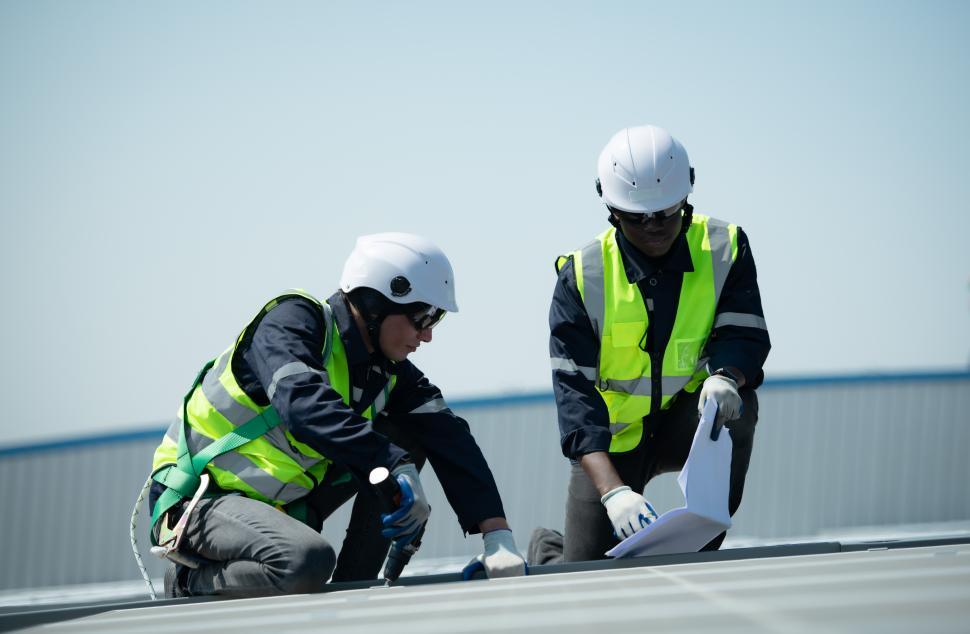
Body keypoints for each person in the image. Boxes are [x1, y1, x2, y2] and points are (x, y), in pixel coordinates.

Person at [147, 232, 526, 597]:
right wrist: (392, 465)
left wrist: (497, 537)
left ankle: (354, 590)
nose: (426, 336)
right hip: (201, 498)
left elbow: (450, 437)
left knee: (409, 436)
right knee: (305, 561)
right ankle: (184, 584)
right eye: (423, 317)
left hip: (277, 505)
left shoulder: (387, 372)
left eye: (435, 320)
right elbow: (303, 406)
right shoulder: (293, 322)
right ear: (377, 303)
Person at [544, 124, 770, 562]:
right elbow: (576, 400)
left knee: (741, 408)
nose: (654, 227)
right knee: (583, 571)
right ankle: (550, 547)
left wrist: (726, 376)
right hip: (614, 440)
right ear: (611, 210)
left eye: (665, 213)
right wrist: (612, 493)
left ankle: (700, 545)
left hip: (688, 419)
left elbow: (744, 333)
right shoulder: (582, 276)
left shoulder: (725, 248)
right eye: (637, 216)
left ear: (686, 196)